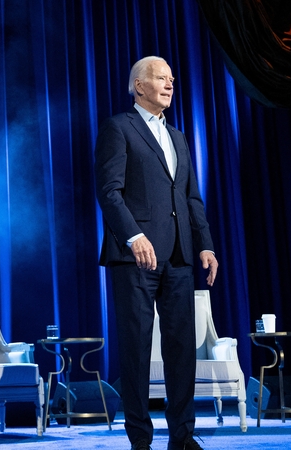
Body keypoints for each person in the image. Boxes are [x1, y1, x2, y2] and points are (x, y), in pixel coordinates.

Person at [94, 56, 219, 450]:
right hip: (135, 257)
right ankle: (140, 439)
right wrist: (133, 237)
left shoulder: (178, 136)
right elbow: (109, 192)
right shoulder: (119, 127)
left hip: (180, 254)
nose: (170, 83)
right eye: (161, 78)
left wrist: (206, 245)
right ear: (139, 86)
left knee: (182, 349)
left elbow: (190, 196)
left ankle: (182, 436)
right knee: (136, 347)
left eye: (171, 78)